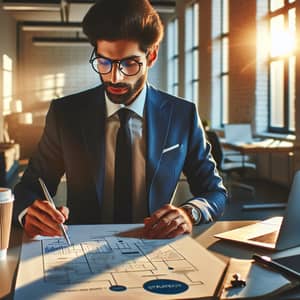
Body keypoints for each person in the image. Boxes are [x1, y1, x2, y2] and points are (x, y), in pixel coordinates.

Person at [13, 0, 227, 239]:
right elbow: (29, 187)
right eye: (104, 62)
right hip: (81, 246)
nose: (114, 77)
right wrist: (29, 212)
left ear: (152, 55)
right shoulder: (66, 114)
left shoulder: (182, 115)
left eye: (129, 64)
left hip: (157, 247)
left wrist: (189, 213)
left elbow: (214, 191)